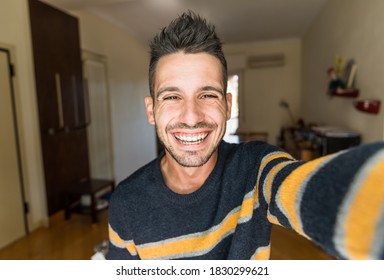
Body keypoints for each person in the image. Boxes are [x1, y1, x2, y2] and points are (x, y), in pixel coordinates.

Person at [107, 11, 384, 260]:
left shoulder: (256, 168)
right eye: (172, 96)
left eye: (207, 94)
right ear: (151, 110)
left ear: (227, 105)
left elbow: (310, 189)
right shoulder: (125, 203)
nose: (191, 116)